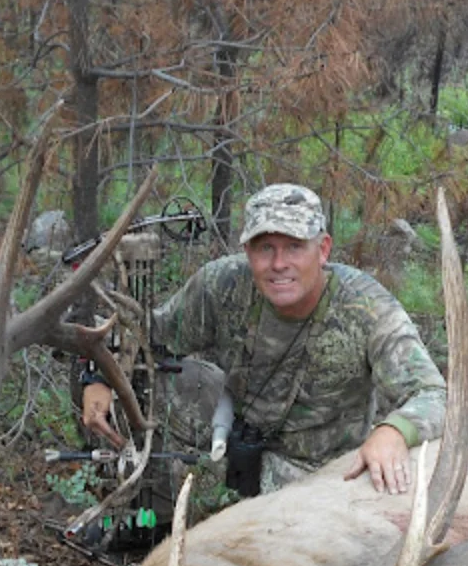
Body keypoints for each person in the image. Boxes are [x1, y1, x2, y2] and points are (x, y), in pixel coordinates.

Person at [81, 183, 446, 496]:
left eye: (294, 247)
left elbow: (432, 394)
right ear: (248, 252)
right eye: (264, 248)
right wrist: (101, 378)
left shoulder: (367, 307)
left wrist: (394, 431)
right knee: (131, 380)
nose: (278, 263)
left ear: (323, 250)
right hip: (230, 433)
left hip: (317, 473)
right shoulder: (222, 284)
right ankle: (152, 510)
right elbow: (148, 337)